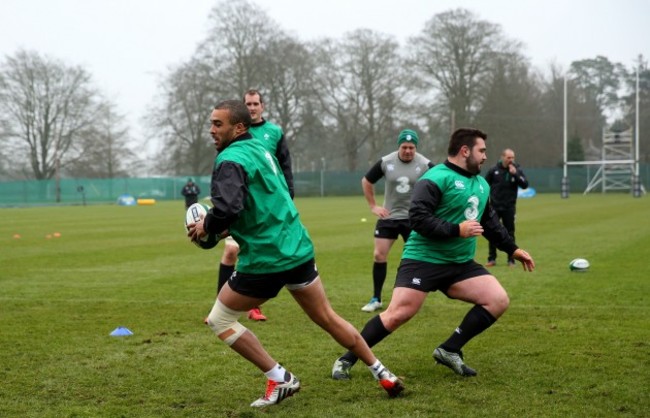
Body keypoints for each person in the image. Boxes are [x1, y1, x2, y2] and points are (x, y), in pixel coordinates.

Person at [187, 100, 404, 407]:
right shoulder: (260, 150)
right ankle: (382, 372)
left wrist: (206, 226)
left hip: (266, 259)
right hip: (297, 248)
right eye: (210, 123)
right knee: (327, 317)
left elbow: (228, 208)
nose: (211, 130)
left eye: (217, 124)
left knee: (220, 319)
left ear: (238, 127)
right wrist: (219, 228)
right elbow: (257, 205)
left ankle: (279, 378)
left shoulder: (230, 160)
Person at [331, 128, 535, 381]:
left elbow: (490, 224)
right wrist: (455, 229)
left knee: (498, 300)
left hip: (459, 264)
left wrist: (513, 250)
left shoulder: (481, 184)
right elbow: (417, 218)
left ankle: (449, 349)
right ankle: (345, 360)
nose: (485, 156)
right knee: (397, 315)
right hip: (423, 260)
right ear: (465, 151)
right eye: (481, 150)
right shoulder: (436, 177)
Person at [216, 89, 294, 321]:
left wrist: (288, 197)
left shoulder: (274, 132)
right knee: (231, 251)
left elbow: (284, 168)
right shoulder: (235, 134)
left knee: (261, 254)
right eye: (247, 104)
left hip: (267, 207)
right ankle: (221, 304)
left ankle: (253, 306)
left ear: (263, 106)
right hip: (240, 204)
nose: (251, 107)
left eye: (255, 104)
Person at [360, 129, 434, 313]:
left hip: (414, 219)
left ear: (416, 147)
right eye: (404, 147)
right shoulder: (387, 162)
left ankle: (411, 298)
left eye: (411, 147)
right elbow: (366, 181)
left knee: (415, 259)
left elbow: (441, 183)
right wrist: (373, 206)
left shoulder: (425, 164)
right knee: (378, 255)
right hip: (389, 217)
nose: (408, 151)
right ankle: (376, 298)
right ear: (399, 146)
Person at [484, 148, 529, 267]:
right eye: (509, 157)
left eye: (512, 157)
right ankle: (491, 258)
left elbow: (525, 185)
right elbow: (484, 185)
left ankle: (511, 259)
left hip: (509, 207)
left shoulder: (516, 169)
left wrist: (516, 174)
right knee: (492, 232)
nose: (511, 160)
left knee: (510, 233)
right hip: (494, 207)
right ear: (502, 157)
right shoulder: (494, 170)